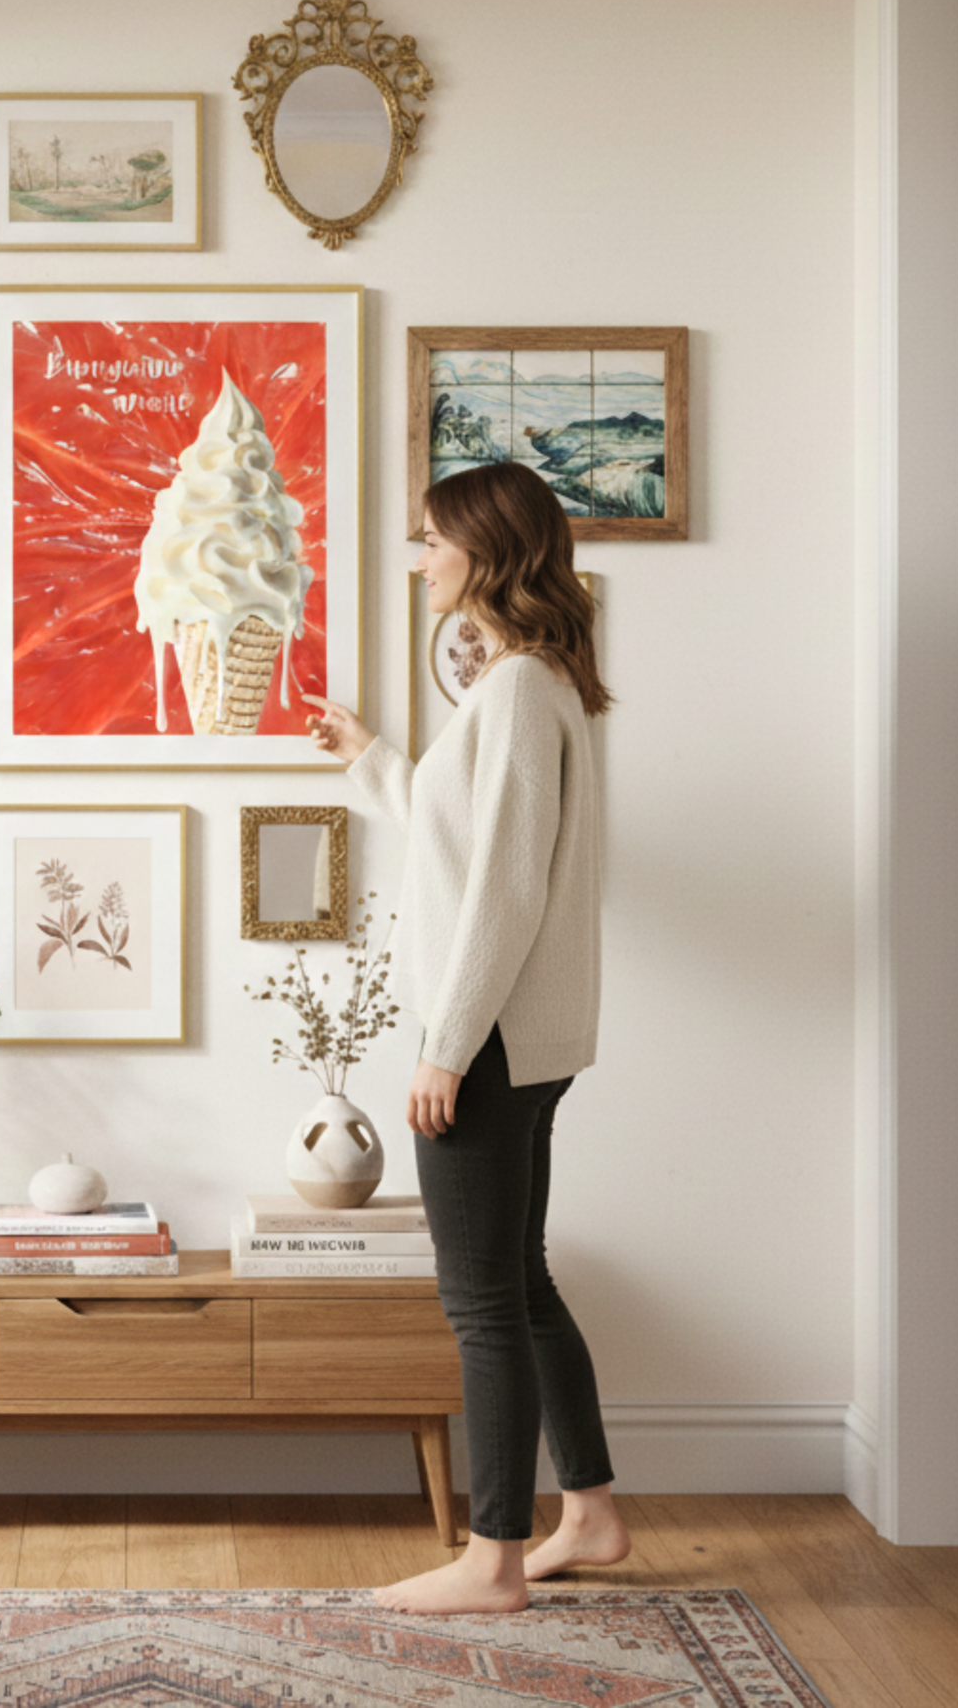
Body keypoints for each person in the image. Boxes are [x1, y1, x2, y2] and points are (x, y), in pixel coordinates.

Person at [303, 461, 629, 1616]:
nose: (421, 557)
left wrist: (442, 1046)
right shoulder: (524, 688)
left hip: (486, 1038)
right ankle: (584, 1513)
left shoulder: (517, 691)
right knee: (519, 1280)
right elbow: (459, 842)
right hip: (521, 1035)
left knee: (480, 1299)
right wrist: (365, 752)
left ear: (483, 549)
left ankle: (491, 1557)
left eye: (433, 538)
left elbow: (500, 893)